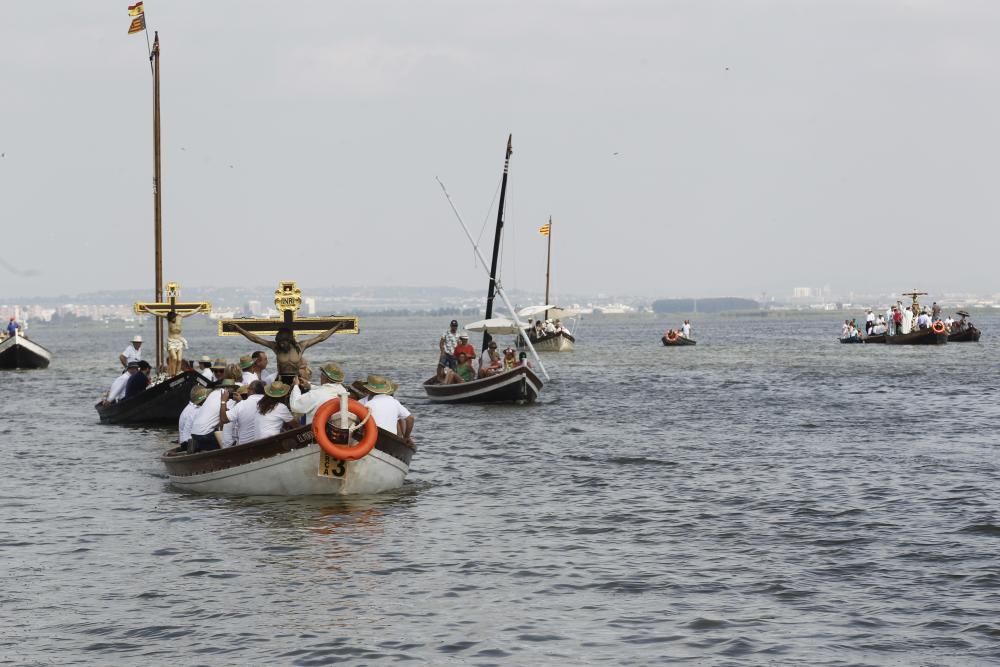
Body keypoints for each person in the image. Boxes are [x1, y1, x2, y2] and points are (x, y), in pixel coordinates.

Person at [231, 322, 348, 383]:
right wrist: (239, 329)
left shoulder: (300, 346)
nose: (281, 344)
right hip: (280, 380)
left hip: (296, 379)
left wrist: (336, 327)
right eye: (280, 342)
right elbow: (255, 339)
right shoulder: (276, 347)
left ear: (289, 340)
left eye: (283, 342)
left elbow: (321, 337)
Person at [358, 374, 414, 445]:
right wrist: (407, 436)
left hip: (370, 439)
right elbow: (410, 418)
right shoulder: (395, 402)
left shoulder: (365, 404)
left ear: (369, 389)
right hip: (391, 440)